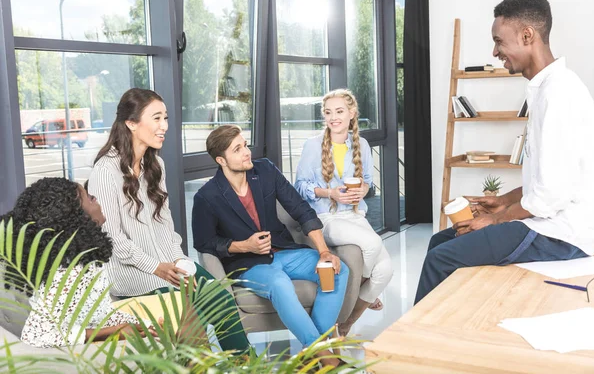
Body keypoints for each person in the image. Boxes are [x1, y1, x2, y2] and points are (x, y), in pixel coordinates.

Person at [415, 0, 594, 304]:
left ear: (527, 36)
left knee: (441, 258)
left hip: (561, 233)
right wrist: (502, 201)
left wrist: (497, 219)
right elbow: (543, 181)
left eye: (499, 41)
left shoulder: (559, 94)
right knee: (439, 241)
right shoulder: (545, 90)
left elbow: (551, 195)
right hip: (548, 222)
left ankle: (413, 346)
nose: (495, 51)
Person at [88, 88, 251, 354]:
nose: (164, 126)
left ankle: (247, 367)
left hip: (169, 266)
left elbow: (165, 225)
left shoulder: (156, 165)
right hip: (135, 274)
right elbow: (111, 239)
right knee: (191, 326)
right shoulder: (106, 171)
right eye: (156, 118)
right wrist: (157, 267)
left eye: (165, 118)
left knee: (221, 300)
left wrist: (179, 261)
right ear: (131, 123)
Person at [192, 124, 349, 368]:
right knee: (279, 283)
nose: (247, 152)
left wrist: (324, 252)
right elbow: (204, 242)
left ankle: (312, 351)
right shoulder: (207, 196)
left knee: (338, 270)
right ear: (221, 160)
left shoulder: (264, 170)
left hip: (284, 251)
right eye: (238, 149)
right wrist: (244, 246)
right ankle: (326, 357)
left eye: (245, 145)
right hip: (248, 265)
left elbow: (300, 208)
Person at [2, 177, 159, 347]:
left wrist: (144, 325)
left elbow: (98, 313)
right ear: (76, 216)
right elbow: (36, 335)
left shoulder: (79, 257)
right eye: (90, 198)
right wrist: (113, 332)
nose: (96, 199)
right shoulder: (71, 270)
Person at [294, 89, 393, 336]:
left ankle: (347, 323)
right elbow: (299, 186)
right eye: (328, 113)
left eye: (339, 111)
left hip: (355, 215)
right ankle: (361, 285)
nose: (333, 118)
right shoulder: (312, 145)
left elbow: (368, 181)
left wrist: (362, 191)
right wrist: (331, 194)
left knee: (386, 271)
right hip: (326, 218)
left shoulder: (363, 144)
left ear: (351, 114)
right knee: (371, 242)